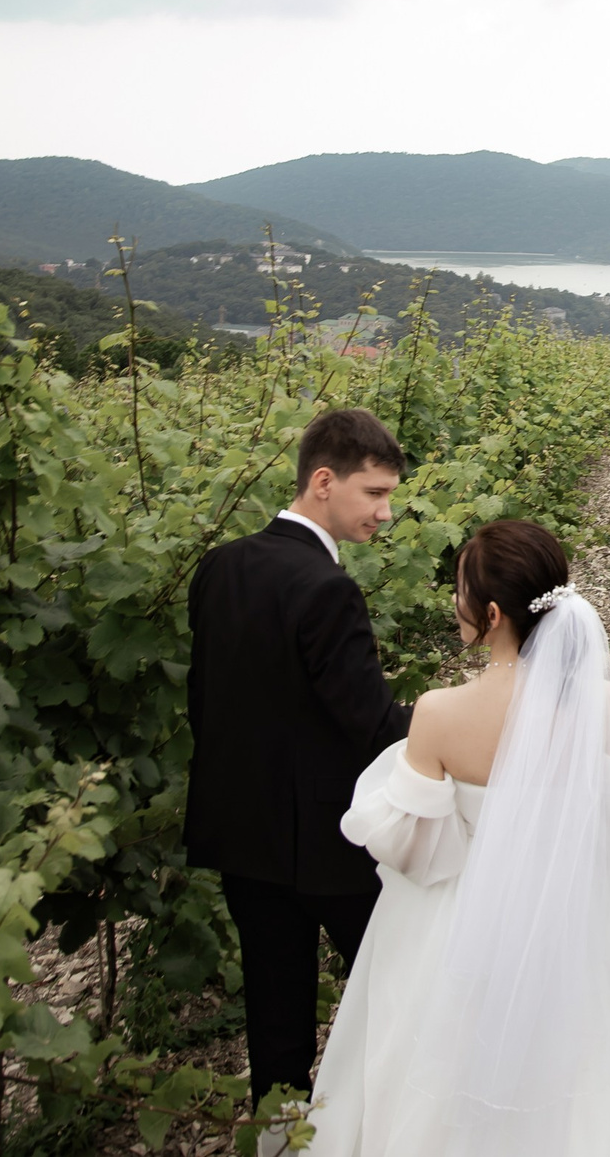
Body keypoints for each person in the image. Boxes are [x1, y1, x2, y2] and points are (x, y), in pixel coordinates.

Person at [308, 519, 610, 1157]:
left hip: (460, 914)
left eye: (460, 590)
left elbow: (414, 850)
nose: (454, 603)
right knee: (594, 1059)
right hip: (579, 907)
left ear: (491, 614)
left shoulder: (438, 713)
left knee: (438, 1062)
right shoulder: (599, 705)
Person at [183, 408, 413, 1104]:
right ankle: (394, 1124)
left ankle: (278, 1136)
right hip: (326, 841)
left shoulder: (220, 566)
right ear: (323, 482)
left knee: (274, 1010)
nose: (386, 512)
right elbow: (373, 726)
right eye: (375, 493)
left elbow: (208, 700)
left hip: (241, 834)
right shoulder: (328, 589)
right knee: (400, 986)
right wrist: (454, 720)